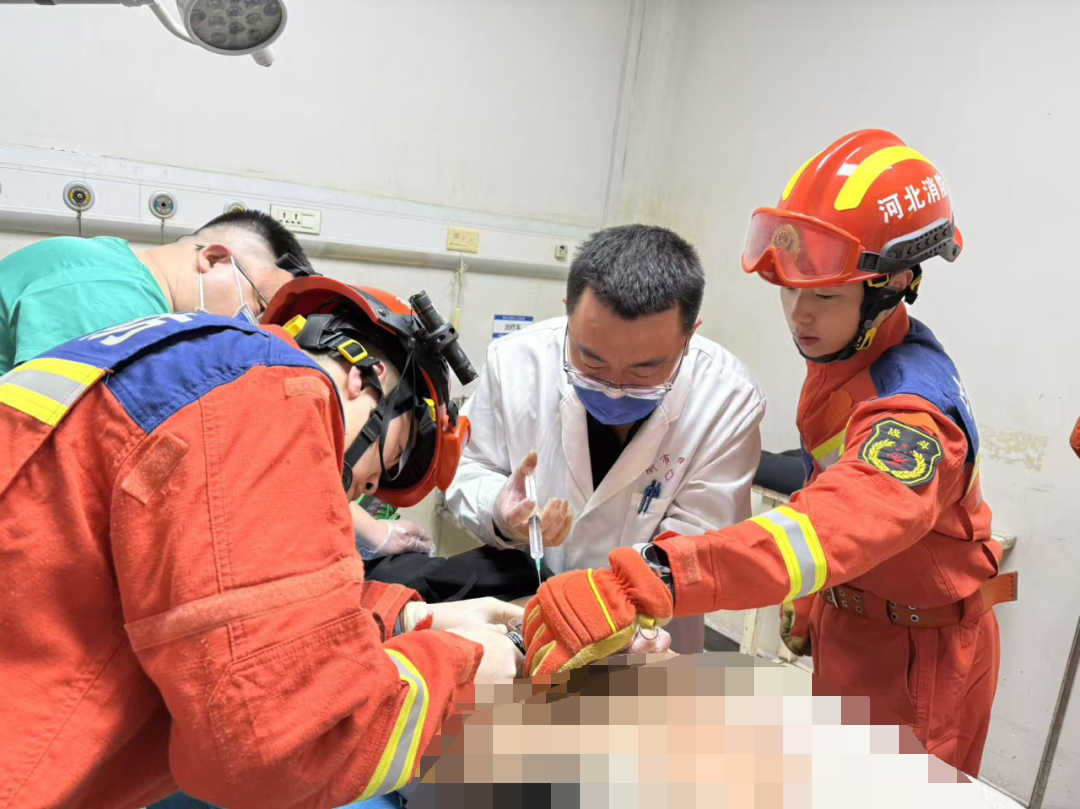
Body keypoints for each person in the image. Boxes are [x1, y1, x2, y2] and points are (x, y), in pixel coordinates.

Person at [520, 129, 1017, 778]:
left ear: (893, 284)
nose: (799, 315)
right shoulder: (846, 360)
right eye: (791, 290)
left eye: (824, 295)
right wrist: (820, 598)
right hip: (859, 626)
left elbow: (838, 521)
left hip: (919, 654)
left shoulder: (914, 416)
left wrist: (652, 577)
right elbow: (833, 489)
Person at [0, 274, 524, 809]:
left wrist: (405, 620)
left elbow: (216, 613)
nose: (368, 490)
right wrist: (461, 669)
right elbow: (278, 743)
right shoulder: (270, 393)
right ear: (365, 377)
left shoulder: (196, 366)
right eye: (391, 458)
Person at [445, 224, 767, 653]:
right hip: (523, 614)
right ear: (569, 313)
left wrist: (601, 611)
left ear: (689, 337)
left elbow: (702, 548)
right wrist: (500, 509)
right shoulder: (516, 362)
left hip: (648, 638)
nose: (614, 390)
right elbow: (467, 468)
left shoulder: (728, 399)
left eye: (643, 370)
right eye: (591, 360)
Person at [0, 209, 311, 374]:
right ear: (214, 259)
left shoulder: (112, 269)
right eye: (259, 305)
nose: (252, 326)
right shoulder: (111, 292)